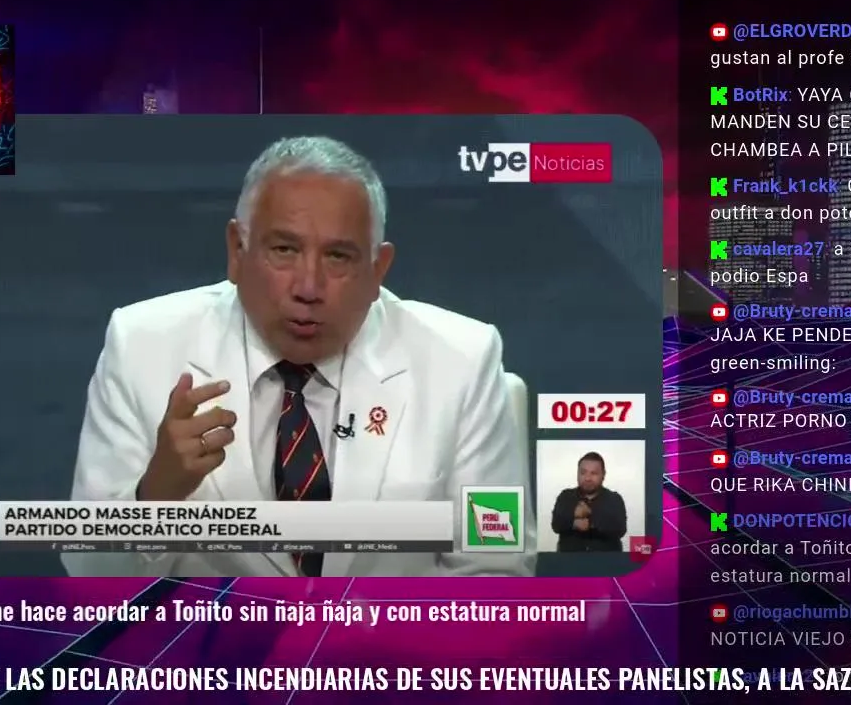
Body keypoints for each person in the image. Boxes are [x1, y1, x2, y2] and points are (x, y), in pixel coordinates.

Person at [63, 135, 535, 577]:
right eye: (284, 250)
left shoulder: (462, 361)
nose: (308, 288)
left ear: (378, 269)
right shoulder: (142, 345)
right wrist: (154, 499)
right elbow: (87, 575)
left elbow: (497, 571)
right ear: (237, 251)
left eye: (338, 257)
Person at [550, 452, 627, 552]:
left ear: (603, 475)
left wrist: (591, 520)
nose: (587, 478)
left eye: (593, 473)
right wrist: (574, 521)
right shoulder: (565, 496)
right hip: (570, 560)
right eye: (583, 473)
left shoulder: (614, 499)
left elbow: (620, 529)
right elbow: (556, 524)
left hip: (606, 560)